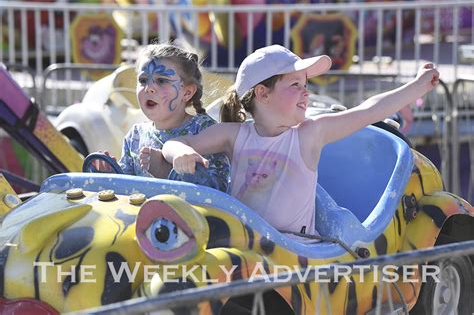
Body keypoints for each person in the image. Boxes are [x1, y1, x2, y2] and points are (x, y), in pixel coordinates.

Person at [161, 44, 439, 236]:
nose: (306, 93)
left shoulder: (309, 134)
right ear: (262, 93)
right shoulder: (234, 134)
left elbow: (369, 110)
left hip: (298, 254)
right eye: (295, 85)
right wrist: (179, 154)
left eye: (306, 86)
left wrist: (418, 85)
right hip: (248, 247)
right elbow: (177, 142)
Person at [96, 43, 230, 192]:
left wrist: (165, 171)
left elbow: (219, 190)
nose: (149, 88)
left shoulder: (204, 130)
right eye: (143, 80)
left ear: (187, 93)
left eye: (162, 80)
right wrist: (110, 175)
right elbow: (127, 190)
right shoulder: (135, 136)